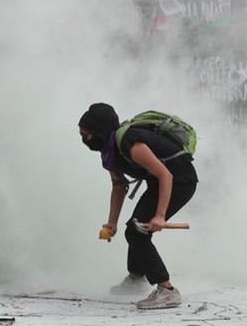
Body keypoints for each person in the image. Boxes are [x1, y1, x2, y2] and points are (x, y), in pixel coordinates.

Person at [78, 103, 197, 310]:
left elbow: (165, 175)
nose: (84, 140)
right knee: (134, 228)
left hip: (180, 182)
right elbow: (119, 186)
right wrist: (111, 223)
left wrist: (159, 216)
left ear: (99, 131)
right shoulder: (109, 151)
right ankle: (136, 278)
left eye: (87, 134)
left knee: (136, 232)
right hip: (159, 183)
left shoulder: (129, 142)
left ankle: (167, 290)